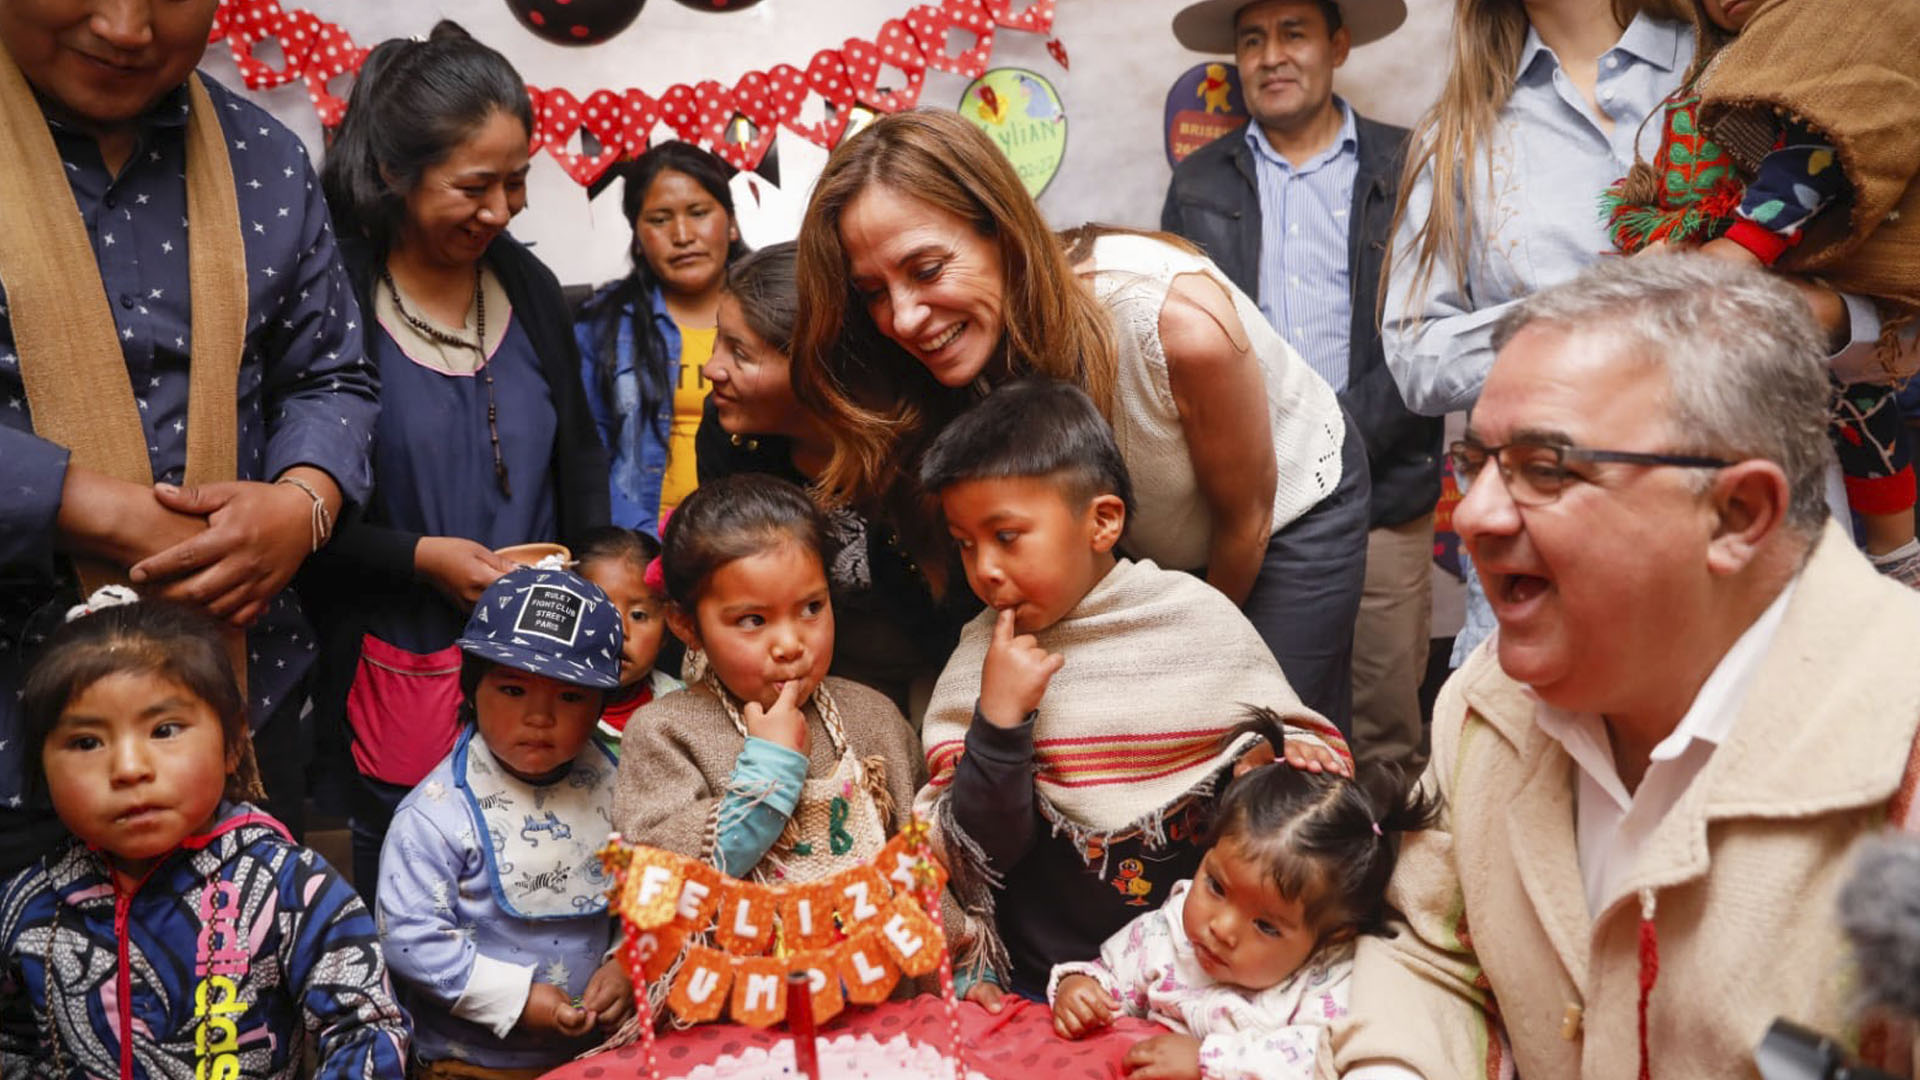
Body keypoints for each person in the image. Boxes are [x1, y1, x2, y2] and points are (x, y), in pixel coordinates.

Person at [1326, 255, 1920, 1079]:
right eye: (1475, 462)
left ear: (1737, 513)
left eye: (1545, 469)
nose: (1476, 517)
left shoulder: (1904, 761)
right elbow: (1432, 951)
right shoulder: (1482, 707)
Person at [792, 109, 1372, 732]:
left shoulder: (1173, 324)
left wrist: (1182, 658)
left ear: (1001, 230)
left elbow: (1245, 522)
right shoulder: (951, 357)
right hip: (1157, 540)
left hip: (1279, 518)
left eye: (927, 269)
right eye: (874, 292)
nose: (903, 319)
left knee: (1259, 743)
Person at [0, 0, 379, 864]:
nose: (128, 28)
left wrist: (303, 500)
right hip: (15, 733)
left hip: (240, 709)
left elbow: (331, 375)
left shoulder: (265, 158)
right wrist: (100, 510)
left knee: (238, 991)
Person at [911, 377, 1351, 1005]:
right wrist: (999, 722)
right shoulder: (981, 657)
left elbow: (1280, 792)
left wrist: (1285, 766)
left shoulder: (1194, 619)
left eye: (1006, 537)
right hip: (1044, 983)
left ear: (1103, 522)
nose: (984, 568)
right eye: (965, 544)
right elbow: (982, 855)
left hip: (1199, 980)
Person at [310, 21, 610, 894]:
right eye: (475, 185)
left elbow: (581, 460)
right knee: (412, 897)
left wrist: (593, 569)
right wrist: (420, 558)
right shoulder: (335, 293)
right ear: (396, 176)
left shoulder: (529, 289)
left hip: (535, 671)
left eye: (517, 182)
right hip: (398, 664)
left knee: (549, 888)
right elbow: (301, 508)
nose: (505, 208)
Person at [1384, 0, 1704, 664]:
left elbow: (1860, 305)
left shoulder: (1719, 65)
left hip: (1723, 513)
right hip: (1547, 541)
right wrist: (1594, 304)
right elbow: (1416, 356)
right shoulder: (1459, 131)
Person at [1164, 0, 1438, 774]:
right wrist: (1253, 457)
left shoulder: (1406, 164)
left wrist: (1333, 445)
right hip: (1249, 500)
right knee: (1262, 726)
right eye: (1252, 40)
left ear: (1337, 46)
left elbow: (1427, 324)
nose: (1271, 56)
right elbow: (1176, 329)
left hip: (1384, 492)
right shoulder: (1200, 181)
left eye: (1293, 34)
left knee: (1384, 729)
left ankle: (1384, 892)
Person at [0, 593, 409, 1075]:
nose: (129, 768)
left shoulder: (289, 886)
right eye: (87, 742)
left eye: (164, 729)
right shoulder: (28, 904)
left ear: (232, 743)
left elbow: (366, 1028)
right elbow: (14, 1043)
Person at [1602, 0, 1920, 586]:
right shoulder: (1711, 65)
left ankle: (1899, 559)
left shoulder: (1846, 25)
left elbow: (1829, 129)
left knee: (1865, 405)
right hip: (1756, 340)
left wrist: (1741, 249)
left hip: (1844, 282)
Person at [1049, 711, 1438, 1080]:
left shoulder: (1323, 985)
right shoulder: (1167, 932)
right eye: (1216, 887)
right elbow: (1112, 974)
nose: (1221, 927)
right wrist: (1081, 990)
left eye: (1266, 926)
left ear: (1333, 935)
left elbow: (1321, 1059)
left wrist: (1206, 1061)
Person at [378, 565, 632, 1076]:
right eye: (514, 691)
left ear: (603, 704)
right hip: (469, 1064)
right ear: (472, 689)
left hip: (596, 1059)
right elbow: (408, 937)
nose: (540, 716)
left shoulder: (624, 792)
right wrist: (515, 1000)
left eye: (570, 696)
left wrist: (626, 963)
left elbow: (647, 892)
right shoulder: (437, 815)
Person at [611, 474, 925, 885]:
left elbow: (920, 859)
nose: (791, 644)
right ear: (687, 626)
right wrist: (771, 771)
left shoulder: (873, 716)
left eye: (812, 607)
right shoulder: (665, 734)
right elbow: (660, 878)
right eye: (753, 620)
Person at [696, 242, 972, 707]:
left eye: (739, 353)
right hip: (804, 683)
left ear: (818, 366)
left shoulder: (933, 443)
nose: (711, 369)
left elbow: (965, 615)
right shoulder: (732, 440)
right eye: (717, 341)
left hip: (949, 668)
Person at [576, 142, 749, 536]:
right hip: (642, 540)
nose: (683, 235)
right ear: (637, 236)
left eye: (699, 213)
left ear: (732, 222)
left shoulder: (773, 312)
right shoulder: (601, 324)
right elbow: (589, 456)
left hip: (754, 539)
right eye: (659, 219)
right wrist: (643, 542)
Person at [572, 525, 680, 756]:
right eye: (599, 611)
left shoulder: (687, 709)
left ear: (669, 628)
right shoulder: (551, 714)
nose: (619, 631)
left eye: (638, 615)